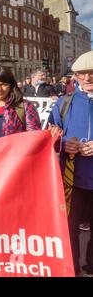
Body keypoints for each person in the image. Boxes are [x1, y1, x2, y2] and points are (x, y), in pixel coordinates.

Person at [49, 50, 93, 277]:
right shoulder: (64, 103)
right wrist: (63, 142)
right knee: (70, 228)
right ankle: (73, 270)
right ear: (75, 76)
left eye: (92, 73)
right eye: (82, 73)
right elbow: (50, 134)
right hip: (71, 178)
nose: (88, 78)